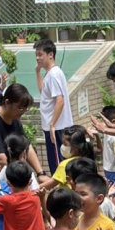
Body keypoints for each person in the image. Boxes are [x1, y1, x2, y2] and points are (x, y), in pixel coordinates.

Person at [0, 84, 47, 181]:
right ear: (7, 102)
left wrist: (40, 173)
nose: (23, 111)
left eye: (25, 108)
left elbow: (26, 146)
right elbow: (1, 159)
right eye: (20, 108)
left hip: (5, 177)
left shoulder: (14, 120)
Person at [36, 38, 75, 174]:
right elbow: (43, 92)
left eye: (40, 54)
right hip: (54, 128)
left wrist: (52, 125)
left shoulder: (53, 74)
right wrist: (38, 72)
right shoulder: (50, 74)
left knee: (59, 168)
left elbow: (60, 100)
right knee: (57, 165)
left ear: (51, 55)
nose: (37, 57)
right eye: (36, 54)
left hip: (57, 128)